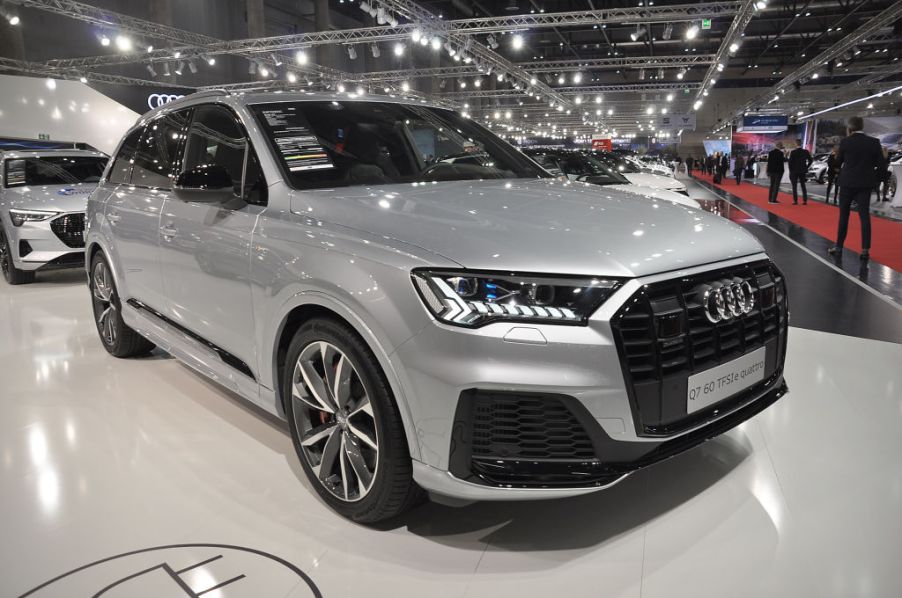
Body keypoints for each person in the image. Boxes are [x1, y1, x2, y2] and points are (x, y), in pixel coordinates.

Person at [828, 116, 887, 261]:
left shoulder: (845, 142)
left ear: (850, 128)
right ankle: (865, 250)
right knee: (864, 217)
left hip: (847, 183)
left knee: (844, 216)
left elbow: (838, 163)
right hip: (865, 185)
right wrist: (875, 181)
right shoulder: (874, 142)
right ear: (862, 127)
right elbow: (881, 165)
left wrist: (834, 160)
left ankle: (839, 247)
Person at [788, 139, 813, 205]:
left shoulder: (793, 152)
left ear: (796, 144)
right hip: (802, 171)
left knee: (794, 186)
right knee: (803, 185)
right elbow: (810, 160)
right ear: (801, 144)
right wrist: (806, 167)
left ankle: (795, 201)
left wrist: (791, 171)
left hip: (794, 171)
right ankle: (805, 201)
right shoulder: (805, 152)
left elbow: (790, 163)